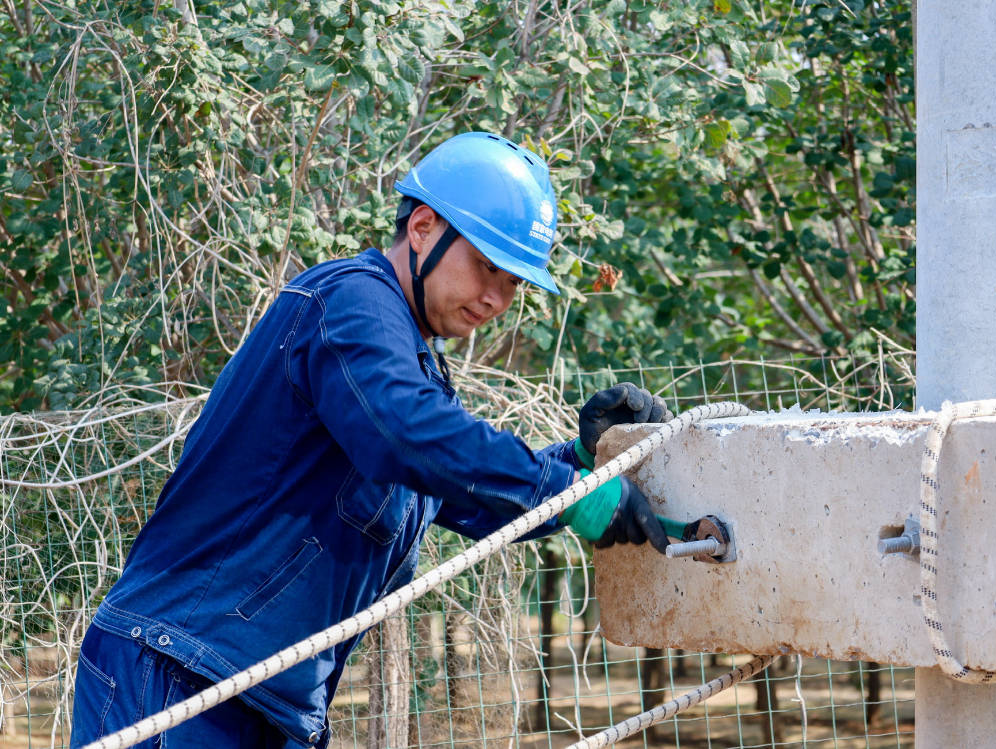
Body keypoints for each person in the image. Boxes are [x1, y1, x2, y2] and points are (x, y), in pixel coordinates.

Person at [69, 132, 673, 748]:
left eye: (514, 281)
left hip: (263, 699)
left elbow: (468, 497)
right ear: (422, 227)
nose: (497, 298)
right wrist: (571, 492)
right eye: (487, 265)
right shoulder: (351, 300)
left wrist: (579, 463)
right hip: (181, 676)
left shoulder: (410, 362)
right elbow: (407, 435)